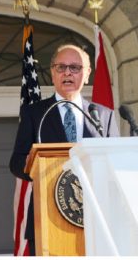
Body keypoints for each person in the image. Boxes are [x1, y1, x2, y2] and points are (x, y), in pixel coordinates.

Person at [9, 44, 120, 255]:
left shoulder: (103, 115)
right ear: (52, 73)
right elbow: (16, 162)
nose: (67, 72)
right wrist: (35, 163)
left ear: (87, 74)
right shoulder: (34, 114)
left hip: (96, 219)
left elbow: (114, 163)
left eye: (75, 67)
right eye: (61, 67)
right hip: (47, 218)